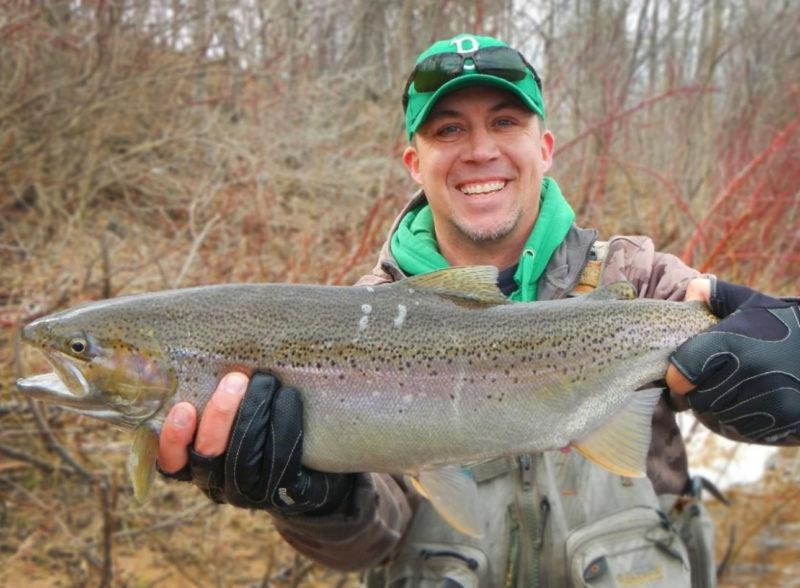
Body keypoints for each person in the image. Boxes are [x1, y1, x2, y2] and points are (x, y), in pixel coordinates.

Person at [156, 34, 800, 587]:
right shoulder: (355, 322)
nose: (480, 150)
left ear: (543, 147)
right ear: (416, 162)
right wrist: (310, 498)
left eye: (504, 122)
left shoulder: (641, 282)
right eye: (449, 129)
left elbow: (753, 341)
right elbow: (369, 542)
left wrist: (787, 368)